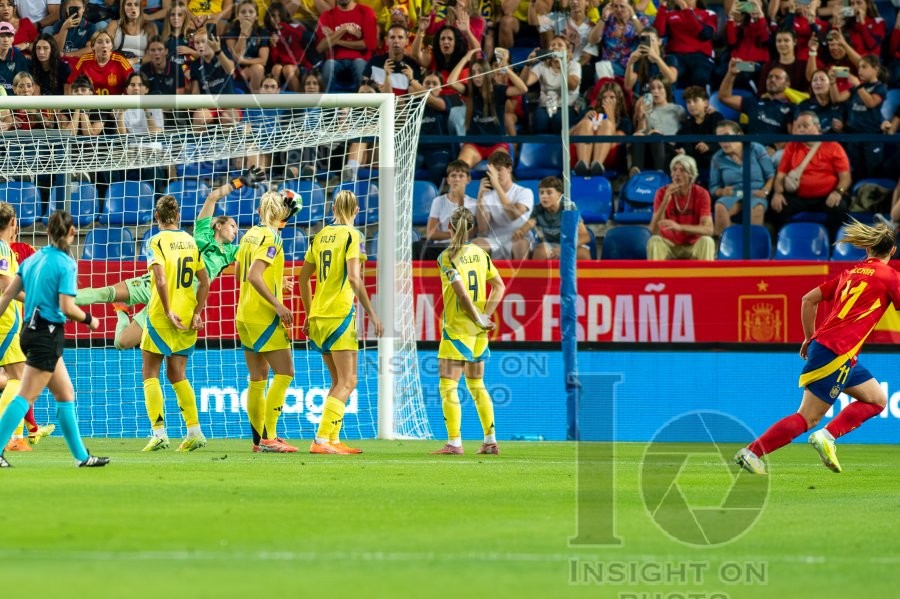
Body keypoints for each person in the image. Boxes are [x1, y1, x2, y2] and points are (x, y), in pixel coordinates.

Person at [736, 221, 900, 475]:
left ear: (868, 250)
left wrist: (809, 337)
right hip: (837, 351)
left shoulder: (850, 273)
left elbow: (808, 299)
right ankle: (753, 452)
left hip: (833, 349)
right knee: (808, 417)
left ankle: (828, 435)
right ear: (892, 252)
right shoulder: (890, 276)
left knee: (877, 399)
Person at [74, 167, 262, 349]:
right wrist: (241, 181)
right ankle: (60, 299)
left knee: (122, 343)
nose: (236, 230)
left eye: (237, 228)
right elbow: (213, 197)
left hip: (178, 299)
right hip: (156, 283)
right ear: (219, 226)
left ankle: (122, 312)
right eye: (232, 225)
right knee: (105, 293)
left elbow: (259, 251)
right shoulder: (200, 233)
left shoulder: (232, 252)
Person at [0, 210, 108, 469]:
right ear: (72, 233)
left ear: (47, 232)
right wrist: (89, 320)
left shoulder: (31, 260)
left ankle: (82, 457)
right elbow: (67, 306)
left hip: (29, 331)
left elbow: (6, 297)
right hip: (46, 334)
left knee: (65, 393)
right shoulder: (65, 263)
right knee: (24, 394)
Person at [299, 190, 383, 455]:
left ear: (333, 208)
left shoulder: (319, 236)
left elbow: (303, 278)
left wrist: (309, 313)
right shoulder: (353, 236)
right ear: (357, 211)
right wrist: (372, 313)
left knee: (337, 382)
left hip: (319, 316)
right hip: (340, 314)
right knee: (349, 381)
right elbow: (354, 278)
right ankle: (321, 440)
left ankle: (332, 439)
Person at [430, 206, 505, 455]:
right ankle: (490, 440)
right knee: (477, 385)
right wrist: (485, 316)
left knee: (448, 386)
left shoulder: (447, 256)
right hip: (478, 333)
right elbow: (499, 286)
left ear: (449, 227)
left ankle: (454, 443)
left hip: (457, 329)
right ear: (472, 228)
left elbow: (461, 294)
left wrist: (476, 316)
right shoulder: (481, 254)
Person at [140, 196, 210, 453]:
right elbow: (205, 281)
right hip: (188, 313)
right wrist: (197, 312)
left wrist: (168, 310)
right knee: (177, 374)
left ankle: (159, 433)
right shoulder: (191, 241)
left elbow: (160, 280)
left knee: (150, 373)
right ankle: (194, 431)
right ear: (178, 216)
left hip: (163, 313)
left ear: (156, 217)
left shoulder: (155, 241)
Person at [235, 189, 301, 453]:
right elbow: (253, 275)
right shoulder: (273, 237)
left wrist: (276, 282)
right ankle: (270, 437)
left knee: (257, 378)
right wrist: (278, 304)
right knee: (285, 373)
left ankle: (257, 441)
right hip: (264, 316)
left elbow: (240, 272)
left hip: (244, 315)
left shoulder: (249, 234)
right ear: (280, 212)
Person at [769, 111, 852, 239]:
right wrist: (778, 193)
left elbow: (845, 177)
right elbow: (780, 175)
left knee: (840, 207)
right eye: (798, 127)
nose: (801, 129)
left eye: (805, 125)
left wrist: (838, 192)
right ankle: (784, 242)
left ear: (817, 127)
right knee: (776, 206)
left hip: (827, 196)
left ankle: (833, 246)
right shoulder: (792, 146)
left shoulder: (833, 146)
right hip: (798, 197)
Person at [709, 119, 775, 236]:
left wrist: (765, 190)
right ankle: (727, 247)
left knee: (756, 208)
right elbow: (714, 187)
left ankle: (753, 246)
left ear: (739, 135)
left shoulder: (756, 148)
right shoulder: (717, 158)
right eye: (719, 138)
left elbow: (770, 175)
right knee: (720, 206)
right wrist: (721, 191)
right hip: (735, 193)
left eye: (727, 136)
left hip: (755, 192)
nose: (724, 142)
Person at [646, 154, 715, 261]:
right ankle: (657, 278)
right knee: (654, 241)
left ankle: (704, 277)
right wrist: (665, 202)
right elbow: (653, 230)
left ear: (691, 175)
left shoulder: (702, 194)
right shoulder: (661, 193)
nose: (677, 174)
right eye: (674, 170)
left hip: (693, 245)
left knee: (707, 241)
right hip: (669, 245)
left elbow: (708, 230)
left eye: (682, 170)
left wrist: (680, 227)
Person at [471, 150, 535, 260]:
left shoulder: (524, 192)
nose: (496, 174)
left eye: (499, 169)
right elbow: (483, 229)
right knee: (474, 246)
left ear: (509, 169)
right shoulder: (488, 196)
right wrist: (480, 198)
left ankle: (521, 277)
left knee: (521, 246)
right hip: (494, 239)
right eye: (493, 171)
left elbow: (513, 215)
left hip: (518, 238)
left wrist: (497, 186)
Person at [512, 176, 592, 260]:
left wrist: (564, 248)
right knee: (541, 251)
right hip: (547, 246)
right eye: (541, 193)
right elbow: (529, 224)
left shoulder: (569, 208)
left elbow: (585, 236)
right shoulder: (538, 209)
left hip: (568, 245)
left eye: (549, 193)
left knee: (583, 254)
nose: (544, 196)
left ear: (559, 195)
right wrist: (520, 231)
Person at [414, 159, 478, 260]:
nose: (457, 179)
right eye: (453, 176)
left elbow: (471, 233)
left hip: (462, 248)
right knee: (417, 247)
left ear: (468, 179)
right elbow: (431, 233)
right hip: (441, 248)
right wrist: (452, 234)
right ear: (448, 180)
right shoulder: (438, 201)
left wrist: (461, 200)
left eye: (461, 176)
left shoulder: (474, 203)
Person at [570, 81, 633, 176]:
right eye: (604, 97)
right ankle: (583, 166)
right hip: (579, 153)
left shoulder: (624, 120)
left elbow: (619, 141)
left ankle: (597, 166)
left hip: (607, 156)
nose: (607, 100)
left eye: (612, 97)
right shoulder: (588, 111)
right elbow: (569, 134)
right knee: (586, 122)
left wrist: (611, 117)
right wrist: (583, 120)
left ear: (618, 100)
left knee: (606, 124)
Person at [314, 0, 376, 92]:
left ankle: (364, 105)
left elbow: (370, 44)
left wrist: (335, 40)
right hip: (334, 60)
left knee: (360, 66)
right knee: (328, 66)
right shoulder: (327, 15)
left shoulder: (366, 12)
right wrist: (344, 29)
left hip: (360, 58)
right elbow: (320, 47)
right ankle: (327, 105)